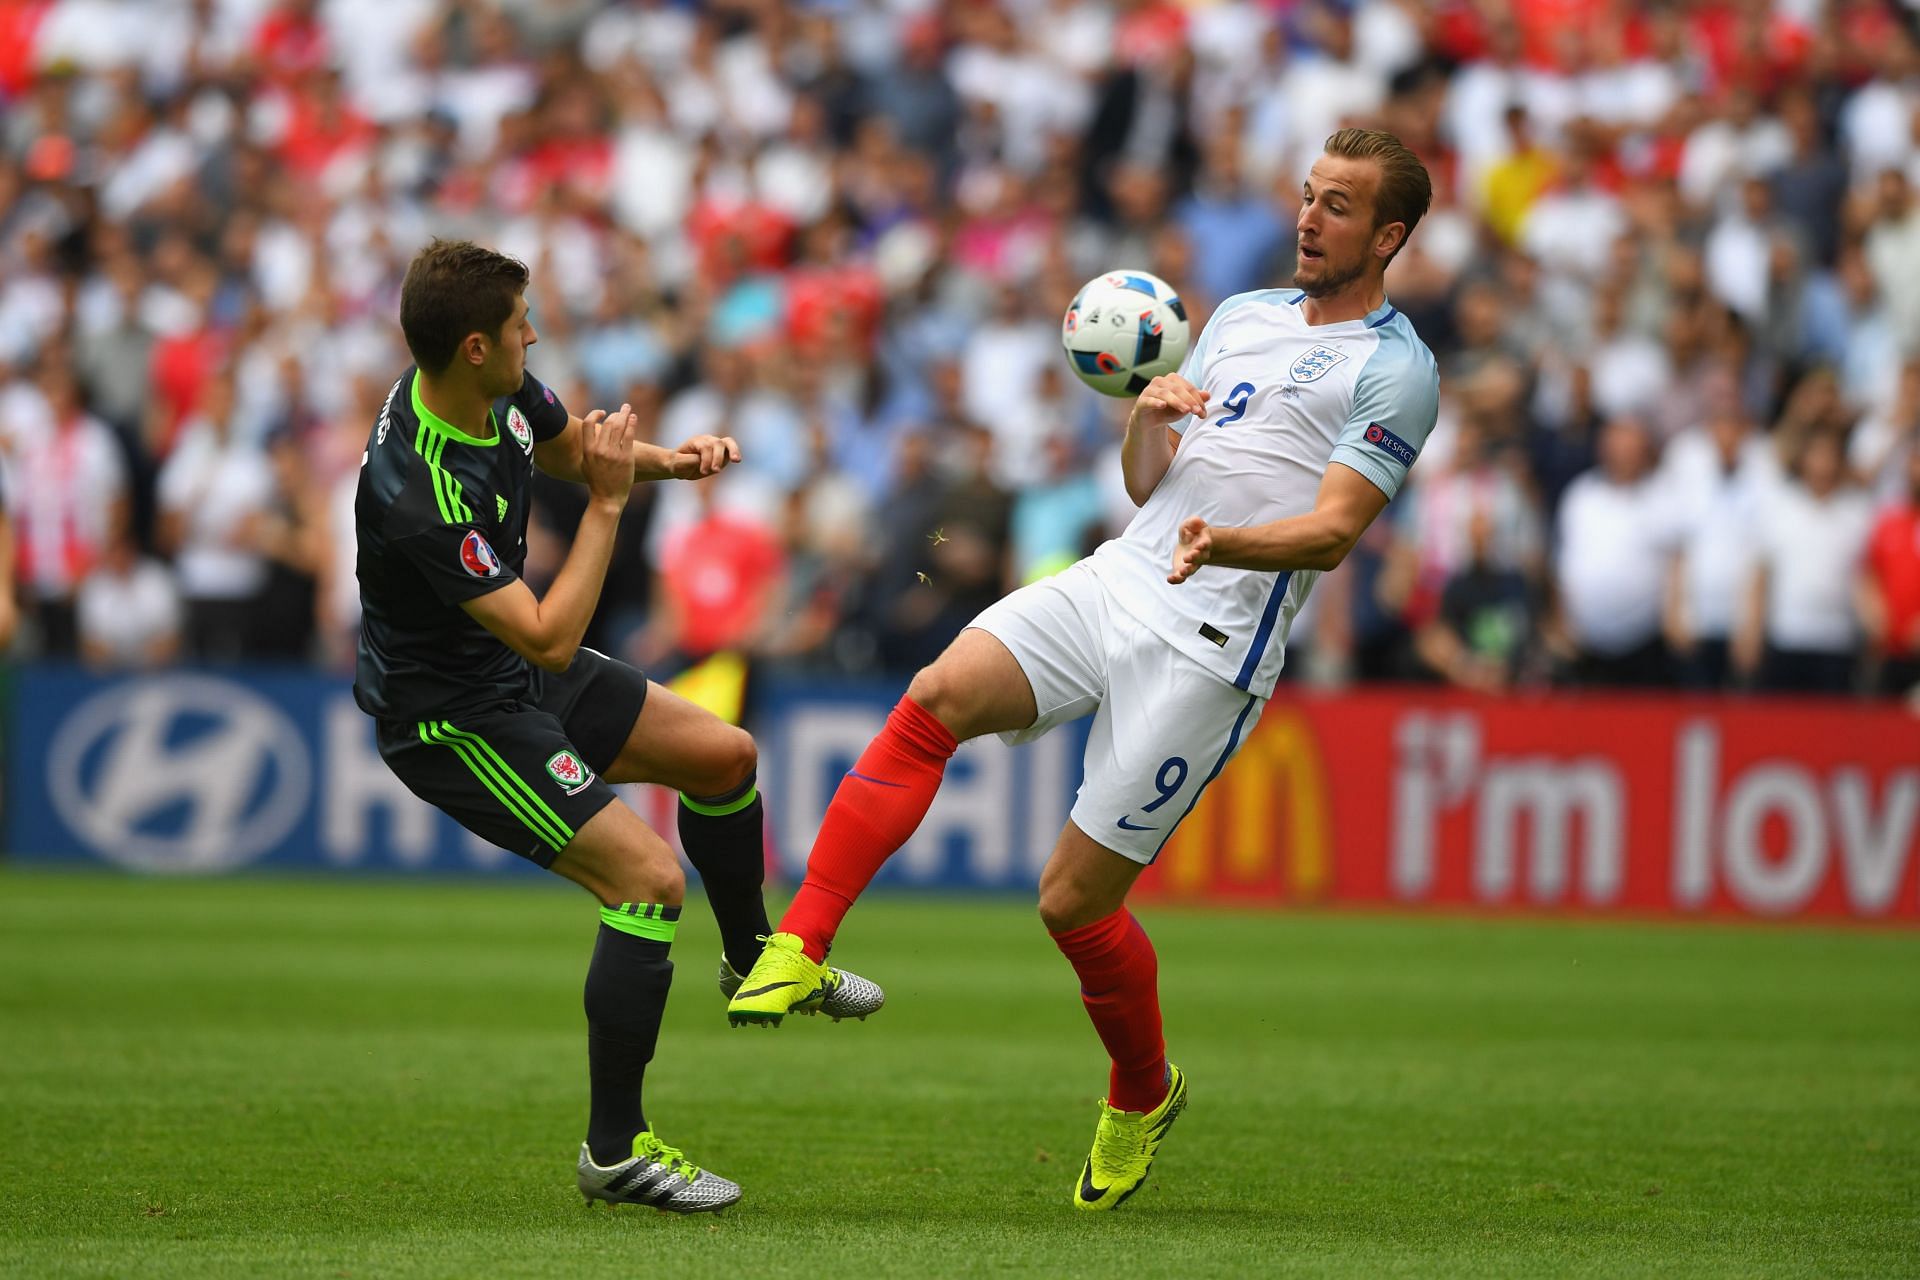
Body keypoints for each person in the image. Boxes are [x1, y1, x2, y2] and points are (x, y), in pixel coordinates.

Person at [729, 129, 1440, 1210]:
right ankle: (800, 939)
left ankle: (1142, 1091)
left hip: (1212, 647)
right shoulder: (1242, 317)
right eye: (1308, 195)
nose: (1308, 216)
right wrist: (1143, 422)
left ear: (1388, 235)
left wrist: (1224, 544)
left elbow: (1336, 529)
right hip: (1121, 576)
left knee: (1071, 903)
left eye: (1338, 206)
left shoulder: (1398, 369)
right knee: (934, 696)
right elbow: (1149, 477)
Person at [352, 240, 880, 1216]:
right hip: (454, 719)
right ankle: (615, 1147)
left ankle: (756, 957)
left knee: (725, 754)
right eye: (521, 326)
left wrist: (669, 464)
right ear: (476, 345)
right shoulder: (412, 490)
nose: (535, 334)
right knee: (645, 877)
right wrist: (609, 502)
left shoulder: (484, 387)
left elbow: (566, 449)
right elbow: (552, 637)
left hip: (503, 675)